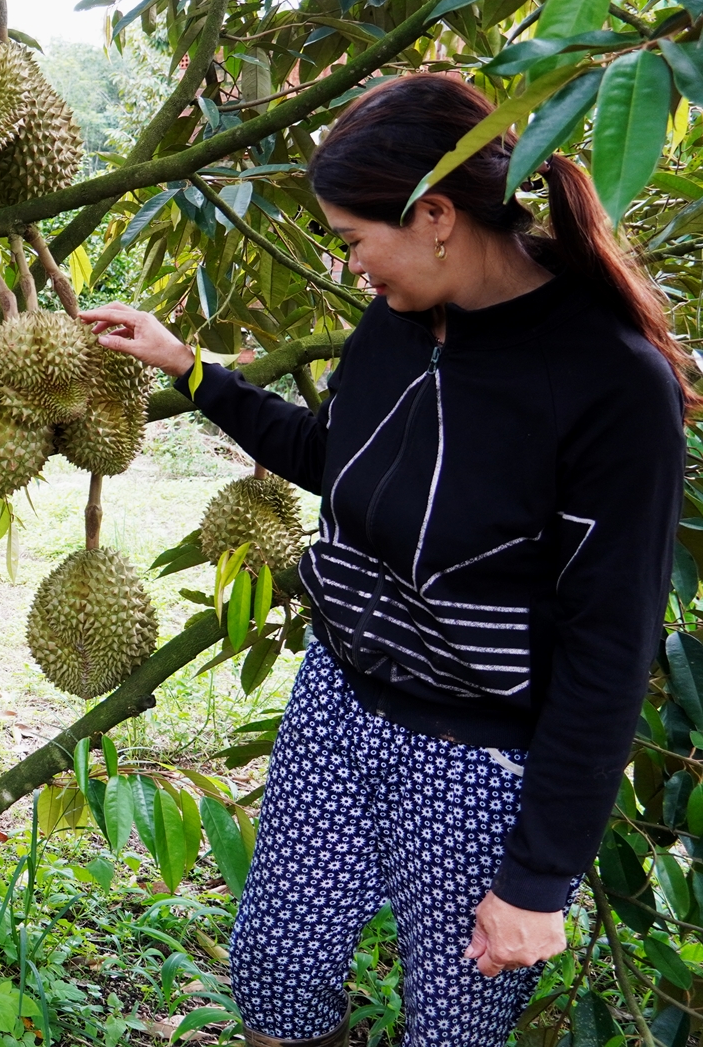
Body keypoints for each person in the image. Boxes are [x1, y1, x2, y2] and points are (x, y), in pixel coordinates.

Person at [82, 72, 690, 1047]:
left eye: (355, 240)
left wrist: (537, 879)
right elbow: (337, 458)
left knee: (452, 1029)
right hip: (339, 703)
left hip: (481, 758)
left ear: (438, 215)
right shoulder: (396, 328)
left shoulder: (613, 385)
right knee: (274, 972)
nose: (354, 267)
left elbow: (609, 649)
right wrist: (189, 368)